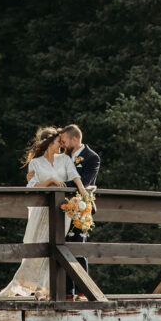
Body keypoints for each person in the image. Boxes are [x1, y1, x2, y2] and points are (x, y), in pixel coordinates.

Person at [0, 126, 87, 300]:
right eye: (57, 142)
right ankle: (30, 285)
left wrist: (84, 193)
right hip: (42, 210)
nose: (61, 145)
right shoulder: (35, 163)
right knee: (40, 245)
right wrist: (50, 181)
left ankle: (44, 289)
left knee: (55, 246)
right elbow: (31, 186)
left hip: (61, 211)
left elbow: (75, 176)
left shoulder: (65, 160)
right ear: (49, 144)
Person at [59, 124, 100, 300]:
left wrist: (58, 184)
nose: (62, 144)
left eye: (64, 140)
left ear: (74, 139)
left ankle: (83, 290)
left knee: (78, 246)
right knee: (62, 246)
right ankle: (68, 291)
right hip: (61, 207)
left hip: (80, 207)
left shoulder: (92, 157)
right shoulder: (62, 157)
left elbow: (84, 181)